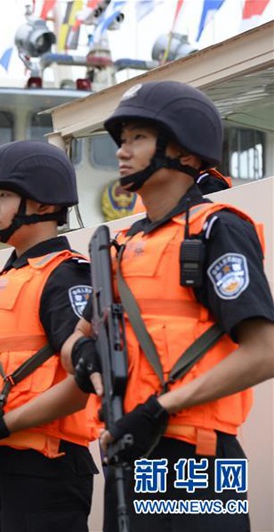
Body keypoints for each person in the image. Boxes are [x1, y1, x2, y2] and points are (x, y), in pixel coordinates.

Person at [67, 80, 274, 532]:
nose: (122, 151)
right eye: (122, 140)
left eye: (137, 138)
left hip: (200, 461)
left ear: (184, 151)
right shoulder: (121, 246)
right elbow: (76, 343)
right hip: (130, 451)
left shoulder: (215, 230)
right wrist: (82, 358)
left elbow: (265, 351)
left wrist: (159, 409)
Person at [0, 140, 98, 532]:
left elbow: (82, 379)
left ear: (44, 204)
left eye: (4, 195)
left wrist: (2, 426)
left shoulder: (66, 274)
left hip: (44, 467)